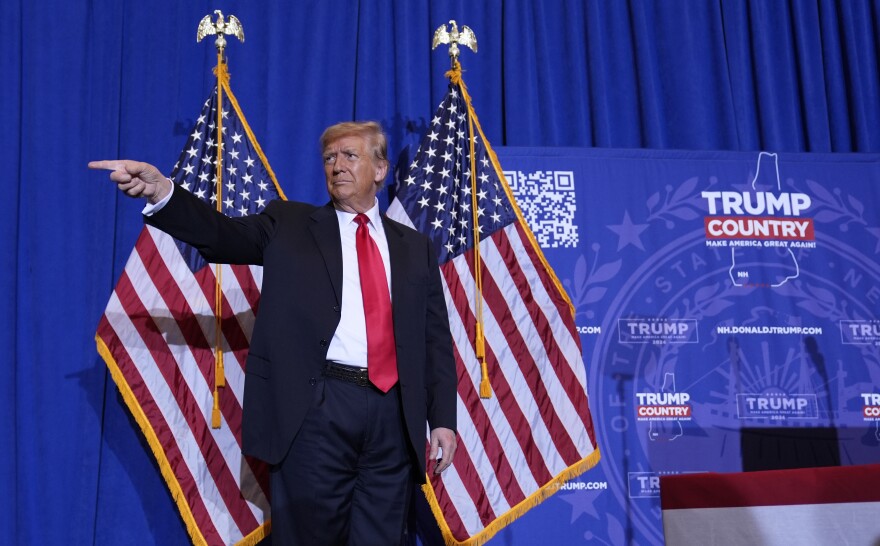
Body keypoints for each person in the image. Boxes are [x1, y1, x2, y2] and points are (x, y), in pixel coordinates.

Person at [90, 121, 458, 545]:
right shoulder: (289, 223)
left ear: (380, 169)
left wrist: (442, 419)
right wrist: (162, 193)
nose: (337, 165)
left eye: (349, 156)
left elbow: (434, 338)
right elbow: (220, 236)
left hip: (394, 417)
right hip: (318, 410)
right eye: (329, 158)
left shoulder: (415, 248)